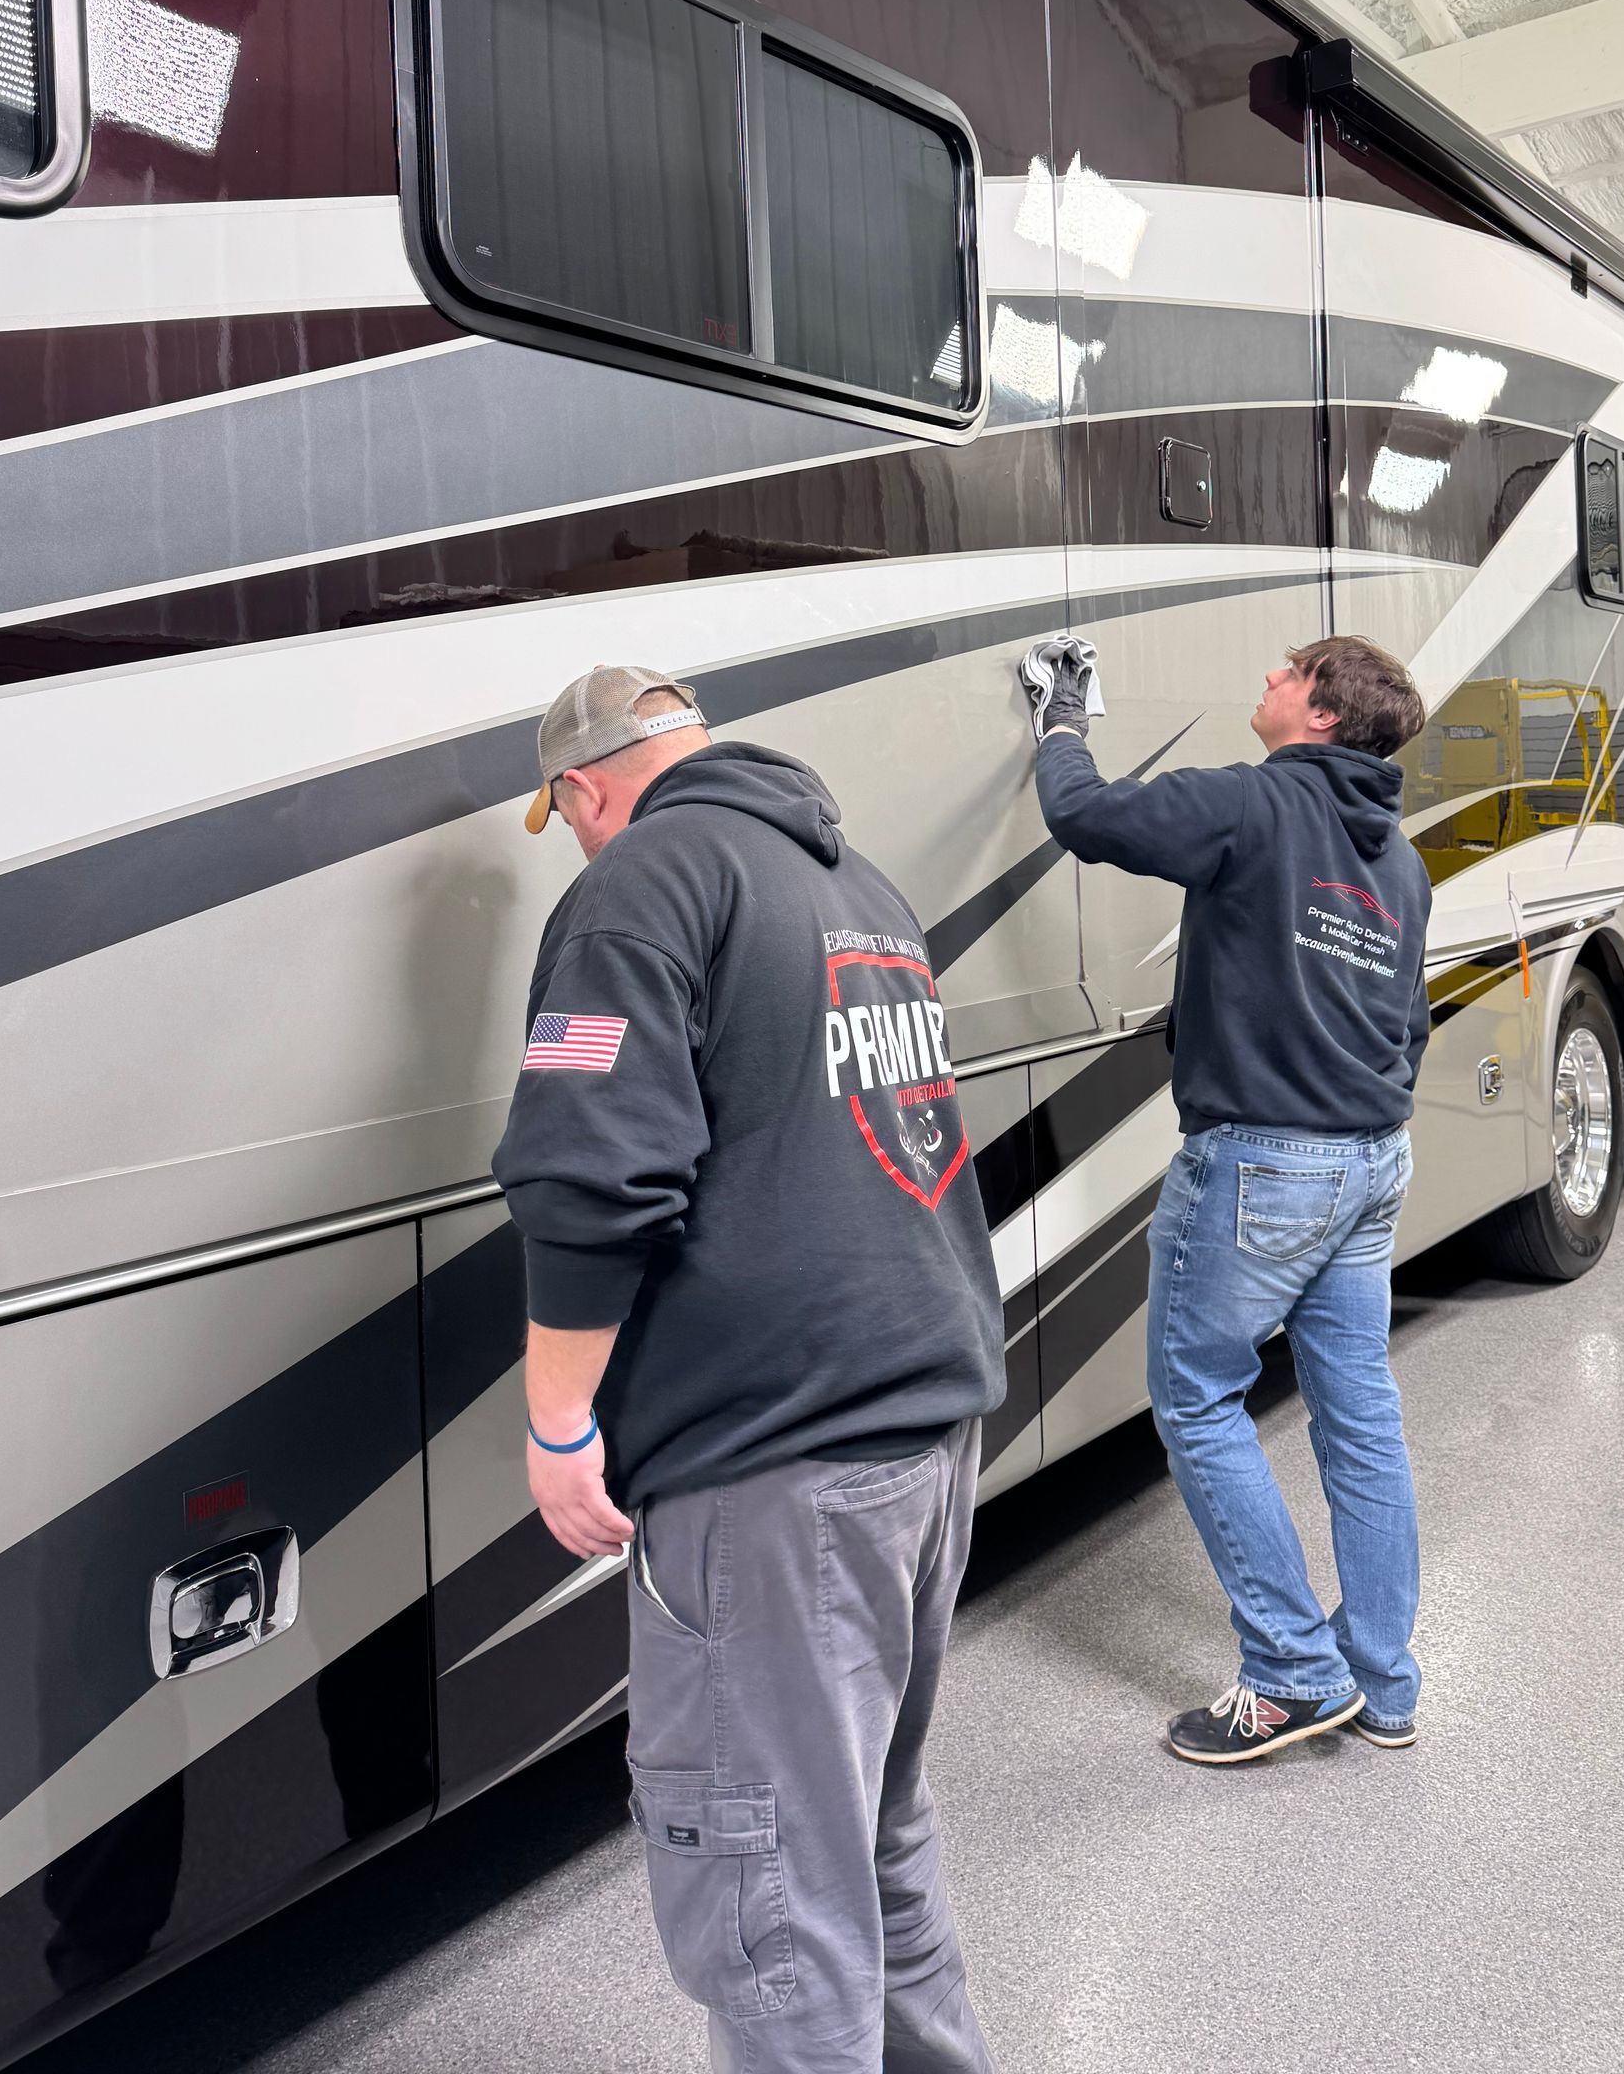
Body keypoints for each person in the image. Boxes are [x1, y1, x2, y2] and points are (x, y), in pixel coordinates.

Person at [493, 664, 1005, 2071]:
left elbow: (594, 1177)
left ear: (585, 790)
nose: (583, 839)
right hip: (920, 1437)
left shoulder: (641, 883)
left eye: (572, 816)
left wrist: (556, 1425)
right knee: (870, 1844)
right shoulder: (858, 885)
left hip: (778, 1467)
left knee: (770, 1892)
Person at [1025, 634, 1431, 1764]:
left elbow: (1090, 818)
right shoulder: (1397, 860)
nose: (1262, 676)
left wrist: (1060, 724)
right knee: (1361, 1414)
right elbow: (1408, 1025)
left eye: (1284, 671)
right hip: (1370, 1163)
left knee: (1198, 1398)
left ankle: (1296, 1672)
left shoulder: (1253, 805)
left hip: (1262, 1163)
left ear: (1319, 712)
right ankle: (1383, 1682)